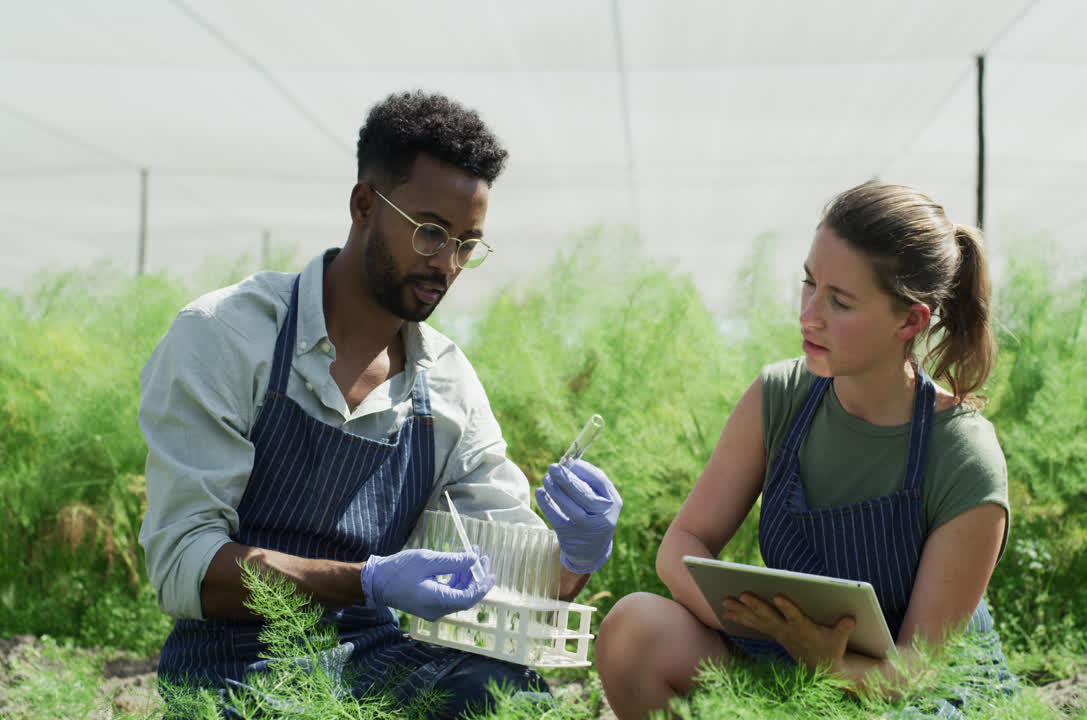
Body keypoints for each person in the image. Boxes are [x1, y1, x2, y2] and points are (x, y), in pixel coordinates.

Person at [138, 90, 622, 718]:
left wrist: (576, 553)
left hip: (375, 657)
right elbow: (185, 565)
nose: (446, 263)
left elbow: (513, 580)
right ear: (364, 204)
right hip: (232, 668)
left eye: (467, 244)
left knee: (509, 698)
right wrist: (365, 579)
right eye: (429, 232)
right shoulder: (227, 336)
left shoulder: (447, 385)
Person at [596, 181, 1013, 719]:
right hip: (791, 662)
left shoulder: (963, 455)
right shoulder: (780, 397)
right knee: (635, 630)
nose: (809, 315)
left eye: (839, 301)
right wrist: (757, 624)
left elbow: (918, 669)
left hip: (914, 697)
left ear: (910, 320)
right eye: (809, 284)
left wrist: (828, 662)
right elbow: (682, 544)